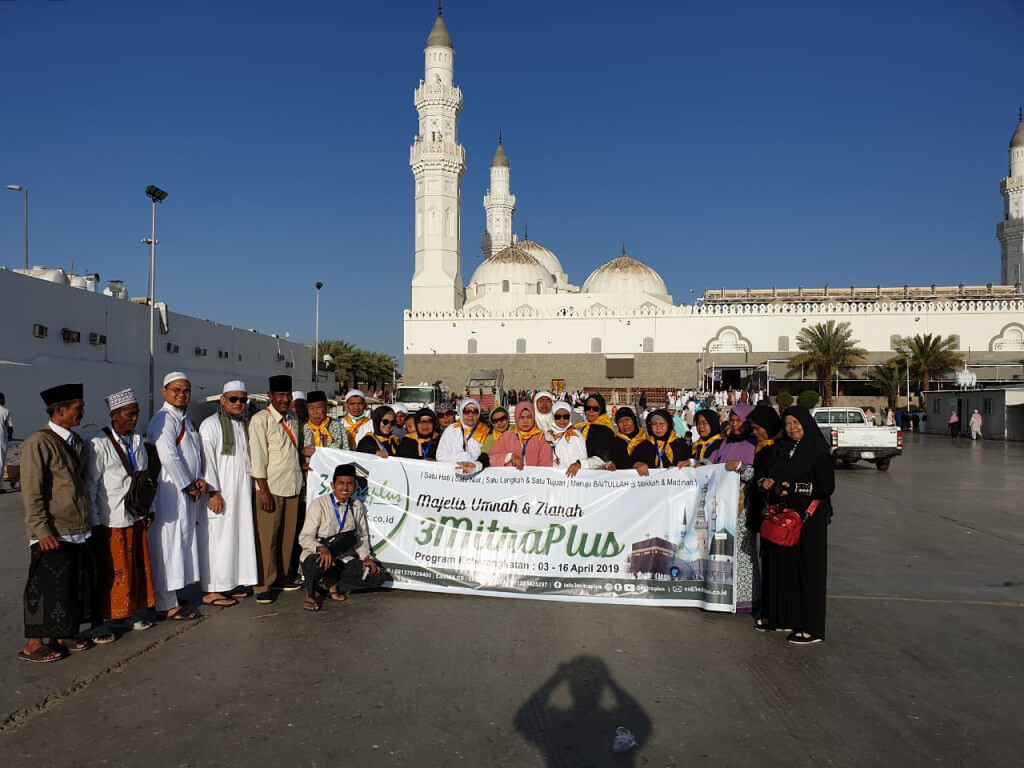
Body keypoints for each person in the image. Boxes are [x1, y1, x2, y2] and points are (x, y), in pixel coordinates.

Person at [20, 383, 99, 662]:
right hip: (51, 529)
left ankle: (62, 635)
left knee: (67, 586)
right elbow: (31, 491)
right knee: (42, 587)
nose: (82, 413)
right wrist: (41, 529)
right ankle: (32, 644)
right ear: (60, 410)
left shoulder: (74, 440)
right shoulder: (37, 443)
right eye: (77, 409)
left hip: (75, 527)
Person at [756, 406, 834, 644]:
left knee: (808, 570)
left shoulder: (818, 450)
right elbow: (768, 474)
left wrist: (794, 487)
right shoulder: (782, 449)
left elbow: (826, 486)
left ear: (806, 423)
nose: (792, 428)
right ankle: (784, 618)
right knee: (783, 567)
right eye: (788, 424)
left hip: (809, 518)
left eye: (796, 423)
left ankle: (811, 627)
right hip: (783, 515)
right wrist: (766, 483)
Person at [85, 388, 156, 636]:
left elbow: (144, 480)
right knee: (114, 571)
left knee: (136, 567)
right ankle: (110, 620)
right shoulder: (98, 443)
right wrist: (95, 523)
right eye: (130, 414)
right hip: (111, 518)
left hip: (136, 516)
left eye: (136, 414)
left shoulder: (138, 441)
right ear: (115, 415)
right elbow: (91, 486)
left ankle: (133, 612)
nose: (134, 419)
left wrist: (149, 510)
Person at [147, 372, 206, 621]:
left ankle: (171, 595)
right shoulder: (163, 419)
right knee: (168, 545)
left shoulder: (184, 419)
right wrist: (189, 485)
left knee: (181, 542)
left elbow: (194, 452)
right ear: (164, 391)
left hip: (186, 491)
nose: (182, 394)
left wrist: (200, 477)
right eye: (177, 390)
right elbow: (168, 456)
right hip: (170, 492)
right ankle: (166, 603)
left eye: (186, 390)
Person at [197, 380, 259, 607]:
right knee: (218, 540)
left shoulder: (243, 424)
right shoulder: (210, 425)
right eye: (233, 398)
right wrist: (213, 492)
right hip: (220, 494)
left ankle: (230, 584)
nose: (239, 403)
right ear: (223, 400)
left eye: (243, 399)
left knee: (237, 538)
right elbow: (207, 462)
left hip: (241, 494)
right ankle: (212, 590)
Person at [298, 463, 387, 611]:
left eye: (349, 484)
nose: (345, 488)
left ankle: (331, 584)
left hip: (341, 558)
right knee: (316, 564)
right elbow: (304, 537)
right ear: (333, 485)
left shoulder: (356, 506)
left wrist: (366, 558)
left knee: (377, 576)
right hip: (319, 555)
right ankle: (310, 593)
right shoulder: (319, 504)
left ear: (354, 486)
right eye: (341, 483)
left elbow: (362, 537)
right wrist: (321, 548)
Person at [248, 375, 303, 604]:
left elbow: (293, 452)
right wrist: (263, 490)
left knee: (287, 537)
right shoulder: (261, 420)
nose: (285, 399)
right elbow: (258, 458)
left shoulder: (293, 419)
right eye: (280, 395)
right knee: (267, 538)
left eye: (287, 395)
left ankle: (280, 577)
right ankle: (263, 584)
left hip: (292, 484)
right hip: (270, 487)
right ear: (270, 396)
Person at [491, 401, 554, 469]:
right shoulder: (507, 436)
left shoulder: (542, 438)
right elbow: (492, 458)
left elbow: (546, 465)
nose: (525, 421)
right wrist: (510, 457)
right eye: (522, 417)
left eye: (529, 417)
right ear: (517, 417)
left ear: (533, 417)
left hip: (534, 478)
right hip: (511, 478)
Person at [437, 397, 491, 473]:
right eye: (466, 411)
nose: (470, 414)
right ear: (461, 412)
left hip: (477, 476)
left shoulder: (485, 432)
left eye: (474, 411)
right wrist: (463, 457)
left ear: (478, 413)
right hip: (452, 476)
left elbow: (488, 457)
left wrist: (475, 464)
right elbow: (440, 456)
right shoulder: (451, 430)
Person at [631, 409, 692, 475]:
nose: (658, 427)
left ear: (668, 424)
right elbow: (628, 463)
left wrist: (686, 465)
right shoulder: (643, 447)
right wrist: (635, 464)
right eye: (654, 424)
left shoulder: (681, 445)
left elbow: (693, 465)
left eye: (662, 423)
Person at [301, 391, 348, 470]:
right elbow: (294, 453)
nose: (315, 412)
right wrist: (302, 454)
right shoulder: (302, 428)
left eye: (319, 408)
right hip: (310, 476)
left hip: (332, 473)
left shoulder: (338, 427)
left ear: (327, 408)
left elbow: (346, 453)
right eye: (311, 408)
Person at [0, 391, 13, 492]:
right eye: (3, 399)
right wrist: (10, 436)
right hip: (1, 440)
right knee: (0, 462)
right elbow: (10, 426)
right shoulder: (5, 411)